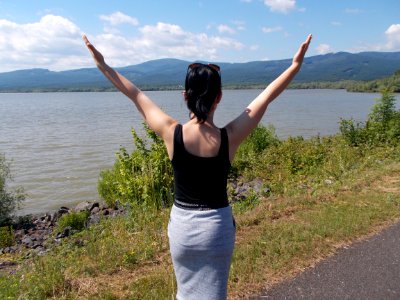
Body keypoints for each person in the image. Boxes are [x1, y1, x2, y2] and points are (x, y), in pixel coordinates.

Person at [83, 34, 312, 300]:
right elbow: (266, 96)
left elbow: (134, 93)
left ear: (185, 96)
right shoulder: (230, 136)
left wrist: (102, 65)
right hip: (217, 227)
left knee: (186, 293)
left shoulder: (172, 132)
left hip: (183, 228)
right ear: (219, 97)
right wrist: (295, 65)